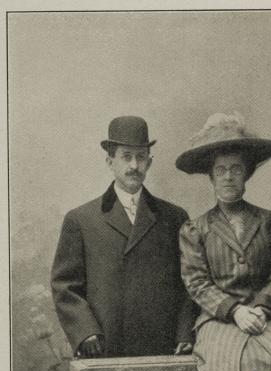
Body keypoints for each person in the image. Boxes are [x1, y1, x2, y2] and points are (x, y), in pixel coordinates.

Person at [51, 116, 195, 358]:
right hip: (105, 349)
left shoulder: (175, 217)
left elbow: (190, 283)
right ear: (110, 162)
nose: (134, 166)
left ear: (149, 162)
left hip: (162, 348)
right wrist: (85, 332)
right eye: (126, 156)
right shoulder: (81, 219)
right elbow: (64, 286)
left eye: (140, 157)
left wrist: (185, 334)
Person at [176, 112, 271, 371]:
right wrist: (235, 311)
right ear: (211, 178)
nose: (228, 177)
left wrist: (260, 309)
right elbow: (197, 283)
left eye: (236, 169)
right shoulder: (195, 229)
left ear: (246, 174)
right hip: (220, 319)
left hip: (268, 316)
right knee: (227, 366)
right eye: (220, 170)